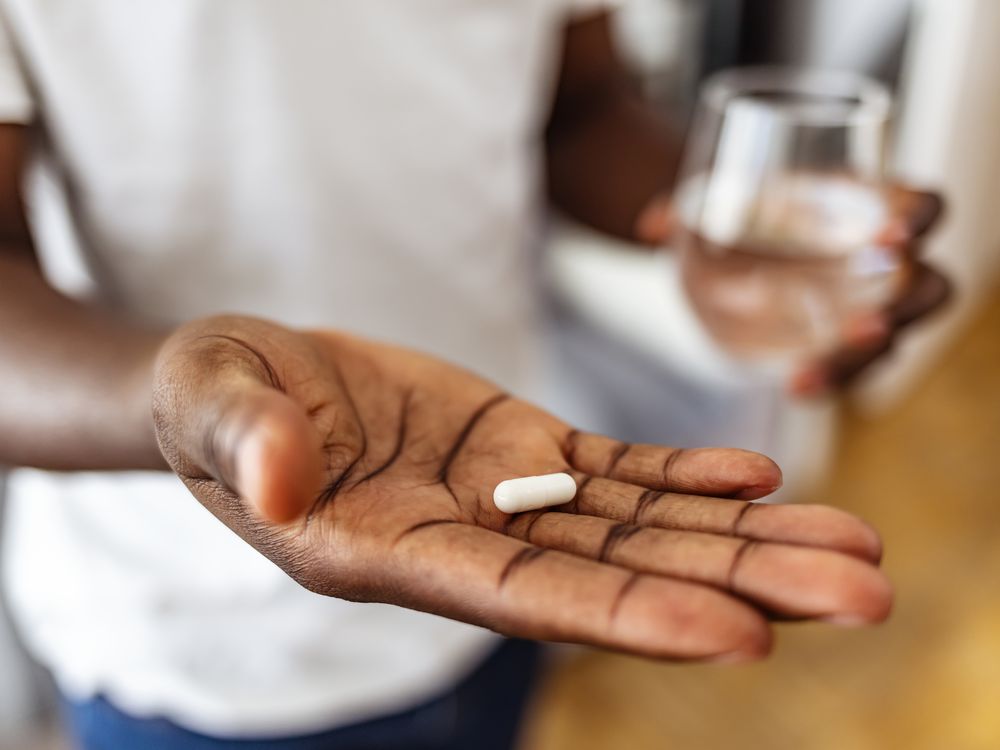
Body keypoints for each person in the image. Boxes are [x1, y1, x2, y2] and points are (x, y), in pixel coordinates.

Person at [0, 3, 948, 749]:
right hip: (198, 635)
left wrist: (716, 222)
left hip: (501, 531)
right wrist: (175, 397)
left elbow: (578, 107)